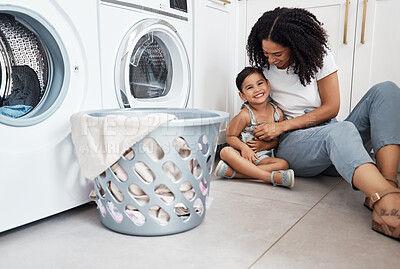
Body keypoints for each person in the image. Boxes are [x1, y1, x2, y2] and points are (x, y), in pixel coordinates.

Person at [246, 7, 400, 240]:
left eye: (277, 53)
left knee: (386, 90)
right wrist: (275, 128)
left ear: (296, 45)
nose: (270, 59)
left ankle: (386, 184)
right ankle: (386, 201)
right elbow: (252, 105)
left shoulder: (318, 56)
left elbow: (331, 107)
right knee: (340, 130)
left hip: (332, 137)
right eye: (266, 53)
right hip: (295, 144)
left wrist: (282, 126)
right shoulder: (264, 65)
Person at [215, 67, 295, 188]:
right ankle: (269, 177)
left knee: (283, 164)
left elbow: (277, 140)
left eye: (260, 83)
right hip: (242, 156)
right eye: (250, 87)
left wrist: (265, 146)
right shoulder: (245, 115)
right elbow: (230, 136)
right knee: (225, 152)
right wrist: (244, 148)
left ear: (268, 84)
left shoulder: (277, 113)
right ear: (242, 96)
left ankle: (236, 173)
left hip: (262, 157)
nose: (257, 89)